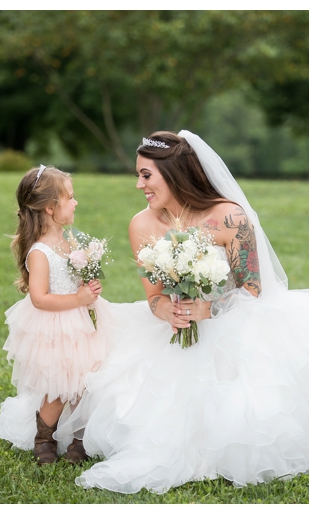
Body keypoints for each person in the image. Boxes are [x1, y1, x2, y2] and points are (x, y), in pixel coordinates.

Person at [56, 131, 308, 493]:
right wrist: (168, 314)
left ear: (174, 174)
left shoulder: (229, 217)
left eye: (146, 175)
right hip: (175, 327)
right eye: (139, 175)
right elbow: (155, 297)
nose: (139, 184)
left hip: (237, 324)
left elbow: (252, 288)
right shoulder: (141, 225)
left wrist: (211, 307)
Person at [0, 165, 108, 465]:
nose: (76, 202)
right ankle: (44, 440)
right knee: (57, 389)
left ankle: (80, 441)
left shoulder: (72, 242)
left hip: (82, 324)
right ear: (52, 208)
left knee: (83, 386)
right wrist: (77, 297)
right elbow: (39, 298)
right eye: (70, 197)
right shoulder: (40, 252)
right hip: (56, 327)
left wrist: (87, 287)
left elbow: (74, 279)